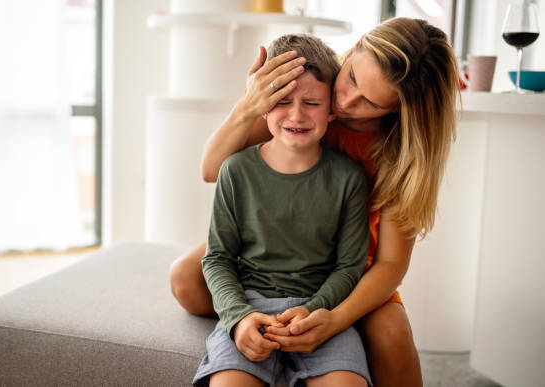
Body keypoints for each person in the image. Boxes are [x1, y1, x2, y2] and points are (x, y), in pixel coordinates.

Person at [172, 17, 459, 387]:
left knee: (391, 332)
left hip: (353, 264)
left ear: (398, 111)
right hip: (278, 244)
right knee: (185, 278)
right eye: (353, 77)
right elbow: (213, 169)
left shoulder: (400, 154)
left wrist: (332, 320)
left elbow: (390, 263)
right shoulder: (307, 99)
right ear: (356, 47)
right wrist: (249, 104)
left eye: (369, 101)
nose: (345, 100)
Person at [193, 33, 371, 387]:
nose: (296, 114)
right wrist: (239, 318)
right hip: (251, 307)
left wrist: (314, 309)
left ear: (332, 109)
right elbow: (217, 259)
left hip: (321, 313)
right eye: (282, 100)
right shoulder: (236, 170)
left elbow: (349, 266)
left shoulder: (349, 177)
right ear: (262, 102)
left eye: (312, 102)